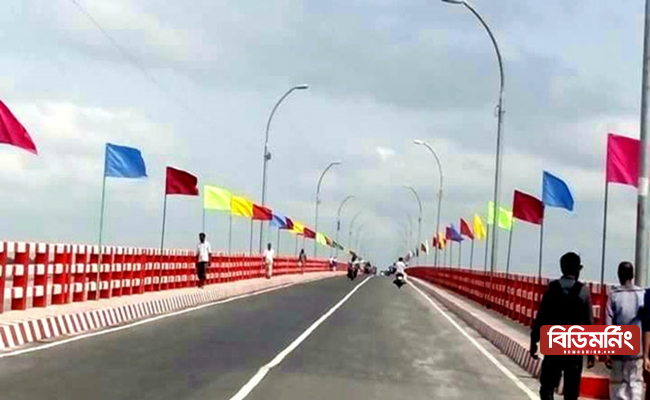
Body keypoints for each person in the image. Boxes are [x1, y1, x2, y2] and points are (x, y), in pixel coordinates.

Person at [530, 252, 595, 400]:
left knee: (547, 385)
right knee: (571, 390)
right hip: (575, 344)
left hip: (554, 341)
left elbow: (541, 317)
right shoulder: (583, 291)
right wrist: (591, 352)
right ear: (577, 269)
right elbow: (589, 322)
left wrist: (534, 340)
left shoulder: (551, 289)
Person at [607, 262, 644, 400]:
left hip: (618, 348)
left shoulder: (613, 296)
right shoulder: (642, 294)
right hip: (637, 348)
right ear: (633, 275)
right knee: (636, 383)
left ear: (619, 275)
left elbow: (609, 324)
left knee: (617, 385)